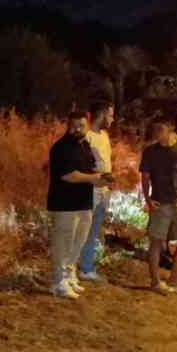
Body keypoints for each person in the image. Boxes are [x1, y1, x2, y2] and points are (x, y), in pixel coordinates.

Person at [48, 112, 108, 299]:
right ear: (68, 125)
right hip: (65, 203)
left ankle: (68, 275)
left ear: (88, 125)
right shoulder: (61, 148)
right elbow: (67, 175)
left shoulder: (84, 145)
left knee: (78, 242)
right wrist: (93, 178)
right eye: (74, 125)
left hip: (83, 202)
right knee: (63, 243)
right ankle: (58, 282)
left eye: (81, 125)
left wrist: (101, 176)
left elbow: (88, 169)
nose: (77, 129)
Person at [140, 121, 177, 295]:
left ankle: (174, 280)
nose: (158, 134)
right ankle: (155, 282)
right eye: (155, 131)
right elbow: (145, 176)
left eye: (160, 130)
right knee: (156, 241)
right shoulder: (150, 151)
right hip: (160, 202)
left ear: (169, 129)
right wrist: (148, 198)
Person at [77, 101, 115, 282]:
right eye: (110, 115)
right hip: (90, 189)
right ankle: (80, 268)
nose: (112, 119)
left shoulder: (105, 136)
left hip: (104, 190)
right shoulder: (87, 136)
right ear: (101, 115)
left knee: (93, 231)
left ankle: (86, 267)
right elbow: (80, 164)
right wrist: (99, 175)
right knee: (83, 229)